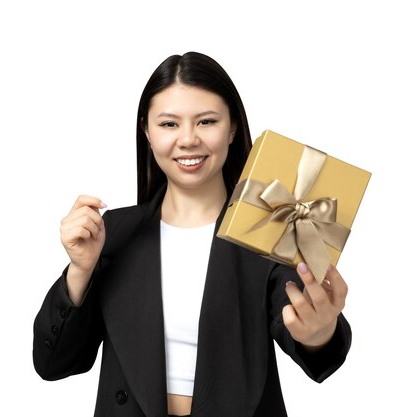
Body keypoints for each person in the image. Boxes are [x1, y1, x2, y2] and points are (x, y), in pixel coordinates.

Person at [32, 51, 351, 417]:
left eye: (206, 121)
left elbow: (314, 338)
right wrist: (79, 272)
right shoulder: (112, 233)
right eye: (169, 124)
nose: (188, 140)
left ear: (231, 127)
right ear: (147, 132)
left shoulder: (268, 228)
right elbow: (53, 363)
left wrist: (318, 333)